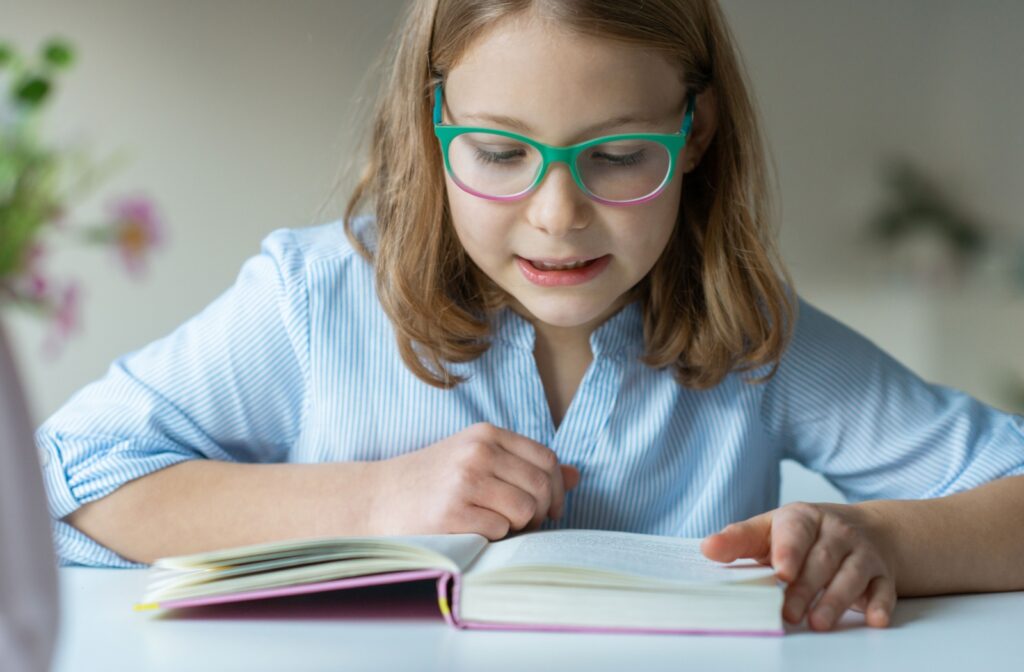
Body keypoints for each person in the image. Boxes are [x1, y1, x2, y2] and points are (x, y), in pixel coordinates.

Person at [36, 0, 1024, 633]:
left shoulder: (752, 338)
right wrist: (373, 503)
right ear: (434, 126)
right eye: (501, 154)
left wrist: (882, 540)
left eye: (618, 154)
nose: (557, 216)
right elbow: (64, 479)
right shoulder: (316, 302)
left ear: (695, 134)